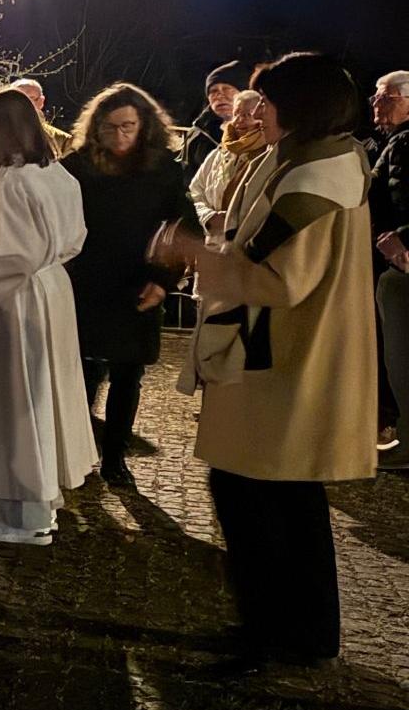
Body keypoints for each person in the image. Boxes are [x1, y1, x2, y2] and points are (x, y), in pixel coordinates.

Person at [156, 51, 374, 671]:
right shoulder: (318, 158)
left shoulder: (312, 180)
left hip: (279, 361)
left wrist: (193, 253)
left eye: (269, 104)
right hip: (281, 356)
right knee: (289, 499)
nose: (259, 115)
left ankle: (268, 633)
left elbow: (278, 282)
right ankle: (307, 634)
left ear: (297, 108)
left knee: (251, 493)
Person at [0, 89, 96, 545]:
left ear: (0, 128)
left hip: (17, 298)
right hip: (51, 289)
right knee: (41, 396)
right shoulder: (58, 175)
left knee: (18, 401)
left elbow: (12, 255)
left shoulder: (10, 182)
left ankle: (26, 516)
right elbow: (73, 239)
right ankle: (27, 498)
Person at [61, 83, 194, 487]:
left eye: (128, 127)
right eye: (111, 127)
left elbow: (183, 228)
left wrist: (162, 281)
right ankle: (77, 452)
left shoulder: (164, 170)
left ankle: (115, 457)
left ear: (144, 127)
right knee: (80, 373)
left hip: (137, 284)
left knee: (126, 375)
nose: (120, 136)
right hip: (84, 280)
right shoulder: (76, 168)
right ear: (96, 127)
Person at [367, 70, 409, 468]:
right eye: (377, 98)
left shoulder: (404, 144)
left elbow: (395, 198)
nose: (378, 105)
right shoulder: (392, 143)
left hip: (400, 266)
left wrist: (401, 240)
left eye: (390, 98)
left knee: (400, 354)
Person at [188, 90, 268, 235]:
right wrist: (208, 217)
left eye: (247, 115)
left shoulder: (267, 155)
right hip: (211, 240)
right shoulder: (218, 154)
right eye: (236, 114)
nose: (239, 121)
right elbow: (194, 191)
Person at [179, 60, 251, 179]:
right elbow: (186, 176)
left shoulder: (264, 130)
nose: (219, 95)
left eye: (227, 88)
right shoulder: (198, 134)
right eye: (213, 91)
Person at [9, 78, 75, 156]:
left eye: (30, 99)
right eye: (18, 100)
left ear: (41, 101)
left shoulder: (63, 141)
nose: (24, 105)